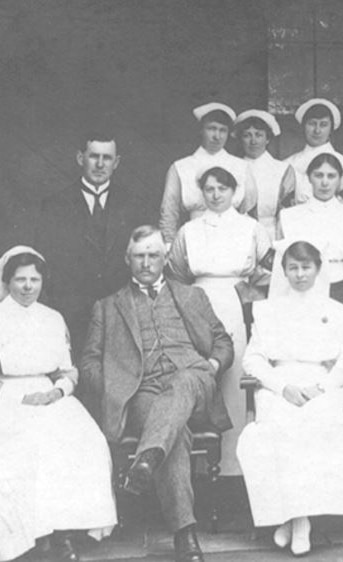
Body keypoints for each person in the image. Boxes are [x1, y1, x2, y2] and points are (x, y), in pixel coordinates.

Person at [81, 226, 234, 562]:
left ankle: (147, 460)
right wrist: (114, 387)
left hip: (193, 380)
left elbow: (223, 341)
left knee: (182, 384)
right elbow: (89, 362)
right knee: (172, 435)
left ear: (165, 259)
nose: (146, 263)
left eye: (153, 255)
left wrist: (211, 363)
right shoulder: (107, 307)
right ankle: (185, 533)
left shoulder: (193, 296)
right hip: (143, 391)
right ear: (127, 259)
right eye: (139, 256)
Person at [236, 241, 343, 557]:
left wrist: (323, 387)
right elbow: (253, 360)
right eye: (293, 268)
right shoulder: (267, 311)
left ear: (317, 269)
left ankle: (295, 519)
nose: (300, 274)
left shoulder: (336, 311)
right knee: (282, 427)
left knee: (315, 424)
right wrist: (282, 387)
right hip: (280, 386)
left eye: (306, 267)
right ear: (283, 271)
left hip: (322, 385)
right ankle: (301, 521)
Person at [0, 247, 116, 562]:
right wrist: (17, 397)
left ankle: (63, 532)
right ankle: (37, 533)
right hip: (7, 395)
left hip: (50, 394)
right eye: (20, 279)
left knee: (83, 439)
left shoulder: (52, 318)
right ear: (7, 281)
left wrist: (57, 392)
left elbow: (67, 370)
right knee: (27, 444)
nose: (27, 287)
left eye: (34, 279)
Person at [168, 167, 272, 475]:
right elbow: (175, 271)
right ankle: (197, 467)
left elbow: (267, 271)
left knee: (235, 375)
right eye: (210, 189)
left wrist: (248, 295)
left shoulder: (251, 227)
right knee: (201, 375)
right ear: (201, 192)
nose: (216, 195)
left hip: (237, 302)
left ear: (234, 192)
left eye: (222, 189)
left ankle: (236, 468)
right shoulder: (189, 230)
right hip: (197, 302)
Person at [36, 132, 151, 364]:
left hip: (121, 310)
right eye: (93, 156)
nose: (100, 164)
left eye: (107, 158)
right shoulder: (54, 205)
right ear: (80, 158)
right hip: (72, 311)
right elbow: (47, 264)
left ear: (116, 162)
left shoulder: (134, 204)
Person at [276, 153, 343, 369]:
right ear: (309, 178)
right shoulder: (290, 216)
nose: (325, 182)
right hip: (301, 292)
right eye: (318, 175)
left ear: (340, 179)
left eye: (331, 175)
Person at [159, 102, 257, 244]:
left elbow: (249, 210)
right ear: (201, 130)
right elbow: (169, 213)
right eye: (212, 129)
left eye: (222, 130)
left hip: (232, 240)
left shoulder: (241, 167)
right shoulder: (181, 167)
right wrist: (170, 247)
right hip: (194, 240)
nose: (217, 136)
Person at [234, 108, 296, 238]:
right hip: (238, 235)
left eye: (259, 135)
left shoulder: (282, 170)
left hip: (272, 235)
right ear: (240, 139)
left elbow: (287, 214)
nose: (253, 141)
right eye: (247, 135)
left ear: (267, 139)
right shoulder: (232, 168)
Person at [283, 98, 343, 204]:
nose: (317, 130)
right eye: (312, 124)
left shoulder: (342, 163)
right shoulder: (289, 163)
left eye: (323, 125)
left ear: (331, 129)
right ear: (303, 127)